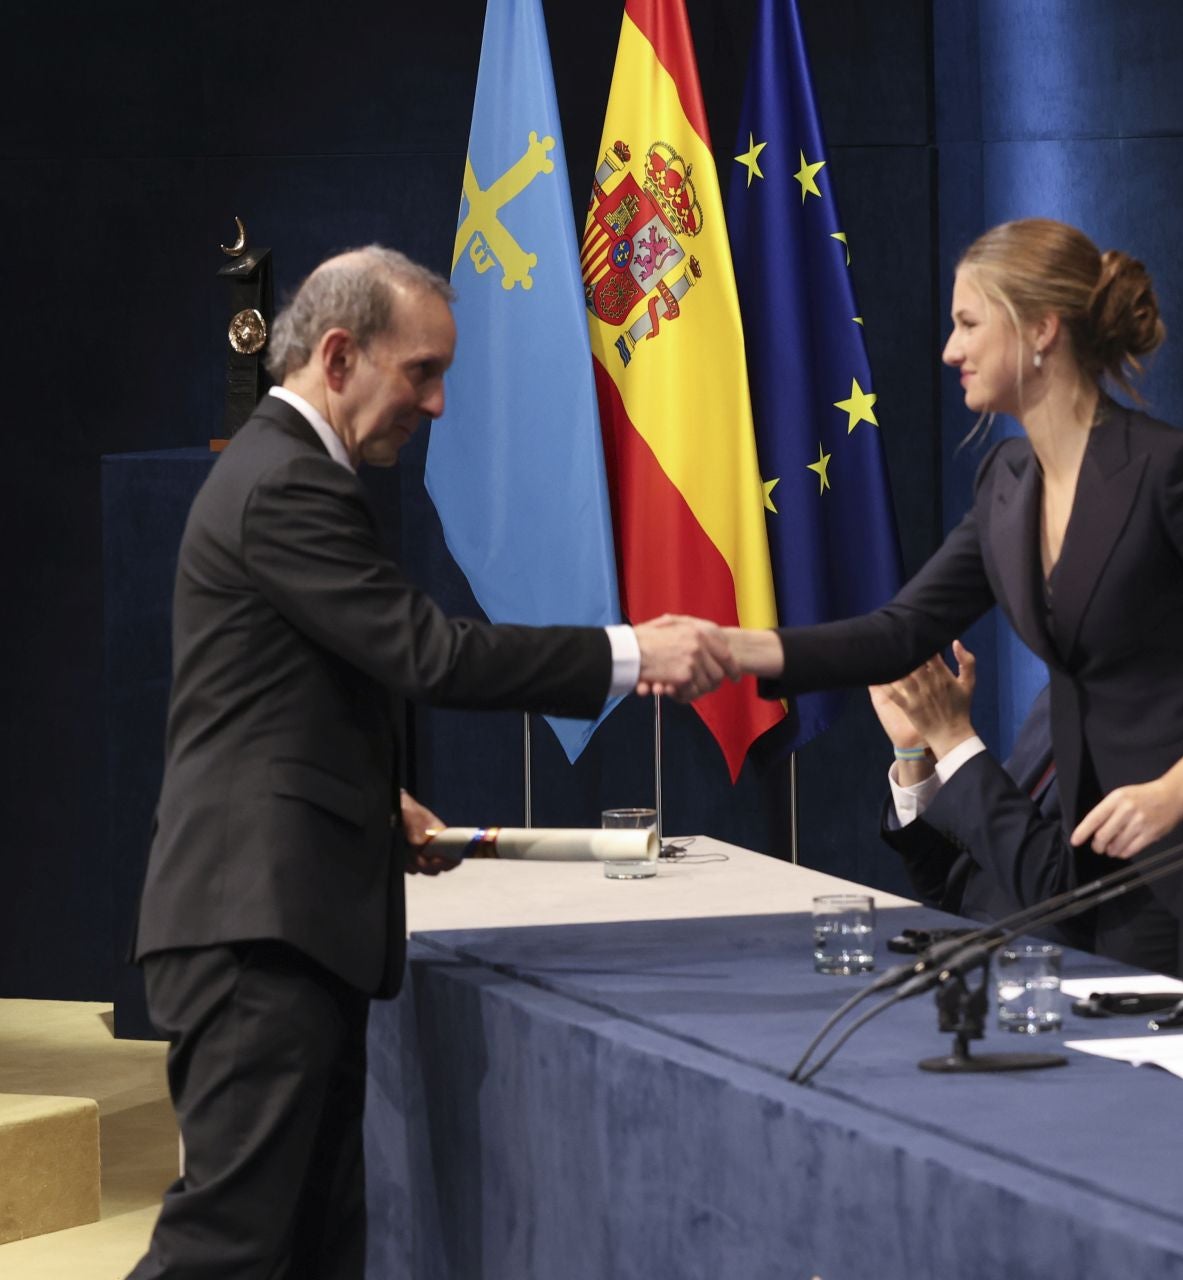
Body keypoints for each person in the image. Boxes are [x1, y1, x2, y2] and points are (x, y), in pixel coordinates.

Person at [129, 246, 734, 1279]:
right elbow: (429, 651)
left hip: (285, 919)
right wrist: (632, 650)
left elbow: (274, 700)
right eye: (421, 371)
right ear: (336, 353)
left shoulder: (291, 472)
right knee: (226, 1250)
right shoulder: (284, 482)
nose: (441, 403)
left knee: (314, 1248)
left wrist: (373, 797)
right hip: (254, 927)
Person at [724, 218, 1183, 1008]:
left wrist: (1178, 789)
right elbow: (900, 632)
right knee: (1122, 1100)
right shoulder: (1007, 478)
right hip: (1121, 872)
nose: (951, 350)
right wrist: (732, 651)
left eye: (967, 323)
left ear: (1041, 330)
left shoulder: (1173, 471)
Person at [872, 641, 1088, 948]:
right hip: (966, 951)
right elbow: (949, 885)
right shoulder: (1064, 692)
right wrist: (913, 753)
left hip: (1058, 970)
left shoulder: (1154, 723)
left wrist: (953, 740)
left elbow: (1062, 895)